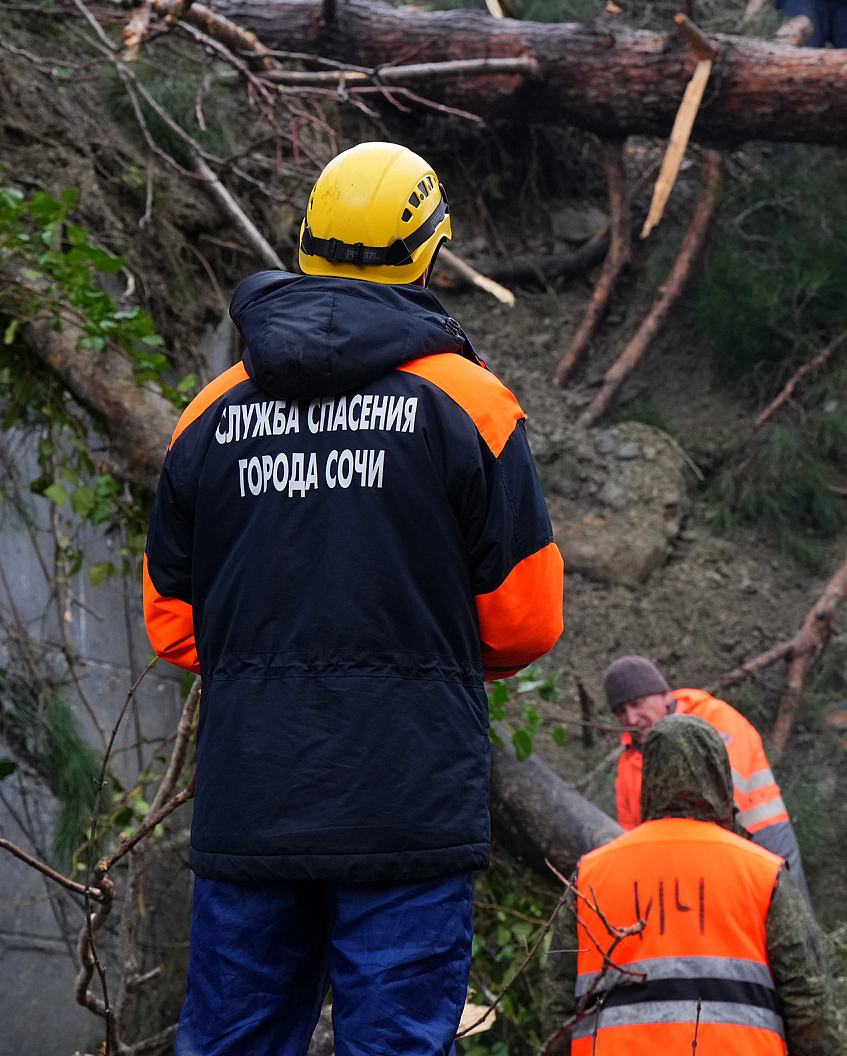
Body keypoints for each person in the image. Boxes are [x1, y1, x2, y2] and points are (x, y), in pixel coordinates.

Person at [144, 140, 565, 1056]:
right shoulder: (472, 405)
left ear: (304, 243)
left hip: (253, 796)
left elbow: (172, 624)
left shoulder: (209, 413)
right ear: (429, 248)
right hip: (407, 801)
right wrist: (424, 653)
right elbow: (527, 619)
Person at [546, 714, 840, 1054]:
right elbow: (809, 1003)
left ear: (649, 776)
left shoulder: (591, 875)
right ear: (718, 775)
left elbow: (558, 1004)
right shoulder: (762, 873)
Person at [604, 655, 809, 901]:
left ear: (663, 694)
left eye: (637, 704)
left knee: (789, 925)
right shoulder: (629, 762)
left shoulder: (714, 719)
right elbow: (630, 835)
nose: (631, 719)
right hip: (694, 863)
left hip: (761, 837)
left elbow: (725, 797)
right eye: (621, 712)